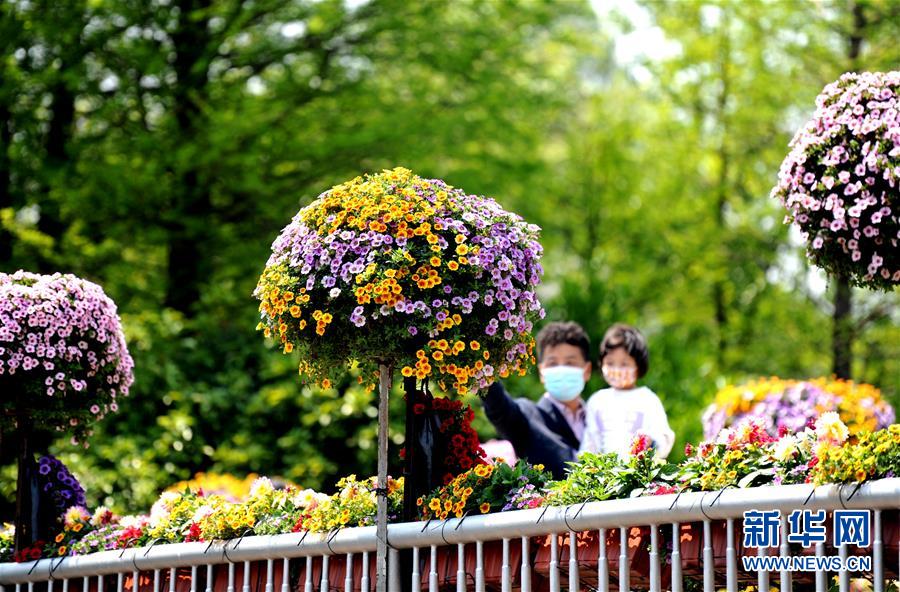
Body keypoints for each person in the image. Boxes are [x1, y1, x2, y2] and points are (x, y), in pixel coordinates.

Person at [482, 321, 591, 479]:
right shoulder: (527, 417)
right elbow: (499, 407)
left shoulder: (602, 415)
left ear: (586, 371)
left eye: (570, 363)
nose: (561, 370)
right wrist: (483, 367)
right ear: (542, 372)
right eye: (552, 363)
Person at [579, 323, 674, 458]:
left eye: (624, 364)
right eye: (610, 363)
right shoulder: (597, 401)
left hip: (639, 475)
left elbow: (664, 436)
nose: (617, 370)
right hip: (604, 476)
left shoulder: (647, 399)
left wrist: (651, 441)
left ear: (639, 366)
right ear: (602, 363)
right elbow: (590, 441)